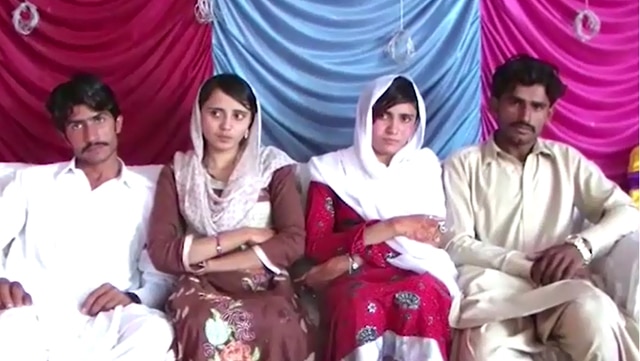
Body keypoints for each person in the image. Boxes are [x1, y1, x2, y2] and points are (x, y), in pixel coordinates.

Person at [443, 54, 640, 361]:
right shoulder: (462, 165)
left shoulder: (567, 161)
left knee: (598, 321)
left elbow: (627, 211)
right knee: (481, 352)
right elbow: (456, 243)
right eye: (515, 102)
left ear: (550, 113)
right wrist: (527, 266)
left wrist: (581, 247)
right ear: (494, 105)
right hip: (495, 290)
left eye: (536, 107)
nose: (525, 115)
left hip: (562, 286)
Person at [0, 74, 174, 360]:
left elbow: (160, 275)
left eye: (99, 119)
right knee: (5, 332)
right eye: (77, 125)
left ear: (118, 123)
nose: (91, 135)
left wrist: (133, 298)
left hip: (107, 320)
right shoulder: (31, 183)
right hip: (32, 316)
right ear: (64, 135)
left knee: (155, 331)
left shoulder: (150, 194)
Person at [146, 74, 315, 361]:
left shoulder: (272, 168)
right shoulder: (178, 172)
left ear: (250, 124)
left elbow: (293, 242)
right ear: (199, 117)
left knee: (278, 322)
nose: (226, 126)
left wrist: (212, 262)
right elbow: (162, 251)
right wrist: (245, 234)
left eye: (238, 115)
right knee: (202, 321)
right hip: (201, 284)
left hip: (264, 280)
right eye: (216, 113)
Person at [300, 75, 460, 361]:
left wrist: (358, 253)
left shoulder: (424, 167)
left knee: (422, 297)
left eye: (405, 118)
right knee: (357, 303)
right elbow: (317, 245)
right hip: (354, 277)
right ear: (365, 117)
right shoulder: (330, 171)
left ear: (416, 124)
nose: (393, 129)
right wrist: (393, 227)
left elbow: (430, 238)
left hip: (412, 269)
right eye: (383, 116)